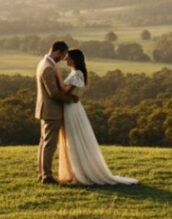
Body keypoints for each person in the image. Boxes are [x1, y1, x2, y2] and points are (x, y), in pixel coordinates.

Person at [56, 49, 138, 185]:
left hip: (71, 108)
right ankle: (73, 171)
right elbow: (71, 93)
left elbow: (65, 91)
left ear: (75, 60)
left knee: (75, 138)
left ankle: (80, 171)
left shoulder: (77, 73)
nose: (66, 60)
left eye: (68, 58)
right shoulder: (76, 73)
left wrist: (57, 77)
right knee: (71, 138)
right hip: (71, 106)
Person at [35, 40, 77, 184]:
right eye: (63, 54)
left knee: (44, 143)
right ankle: (46, 176)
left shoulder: (45, 63)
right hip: (51, 111)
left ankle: (42, 173)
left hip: (46, 110)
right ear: (57, 52)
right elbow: (53, 93)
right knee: (49, 144)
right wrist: (71, 99)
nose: (64, 58)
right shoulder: (47, 67)